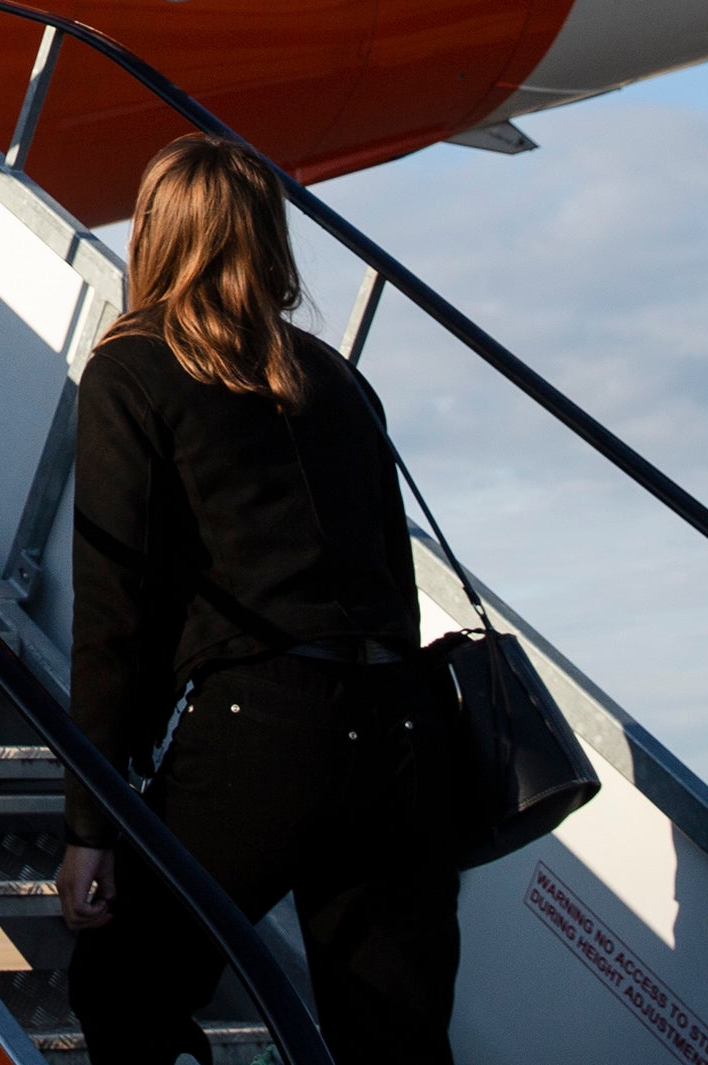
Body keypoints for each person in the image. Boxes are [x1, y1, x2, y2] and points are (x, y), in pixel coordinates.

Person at [55, 134, 457, 1065]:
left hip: (269, 725)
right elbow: (391, 581)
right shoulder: (339, 379)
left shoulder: (135, 364)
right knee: (395, 1043)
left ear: (156, 233)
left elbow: (115, 613)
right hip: (405, 736)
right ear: (267, 239)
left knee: (124, 988)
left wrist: (93, 823)